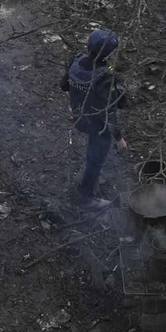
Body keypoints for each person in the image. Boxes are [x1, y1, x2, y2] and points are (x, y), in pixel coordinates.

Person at [62, 28, 130, 207]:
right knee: (96, 156)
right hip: (97, 125)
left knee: (93, 152)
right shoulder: (104, 77)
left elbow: (64, 86)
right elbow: (111, 111)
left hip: (79, 117)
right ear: (108, 54)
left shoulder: (76, 61)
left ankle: (90, 178)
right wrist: (119, 138)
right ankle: (86, 196)